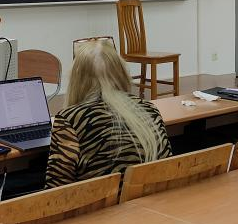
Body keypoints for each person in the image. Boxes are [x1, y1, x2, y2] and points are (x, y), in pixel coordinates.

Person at [45, 40, 171, 188]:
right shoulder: (149, 109)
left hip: (99, 202)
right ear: (121, 73)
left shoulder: (70, 120)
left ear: (77, 79)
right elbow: (167, 166)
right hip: (154, 199)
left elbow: (56, 190)